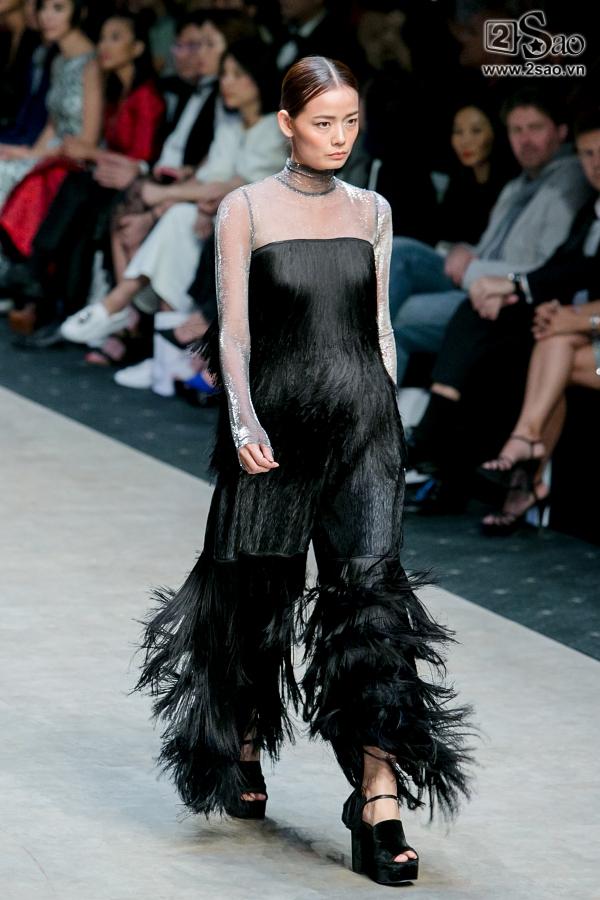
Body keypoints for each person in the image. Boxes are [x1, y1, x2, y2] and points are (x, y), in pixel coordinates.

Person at [133, 55, 475, 887]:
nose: (339, 137)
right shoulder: (247, 208)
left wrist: (391, 419)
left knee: (373, 610)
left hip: (363, 429)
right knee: (257, 593)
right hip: (276, 427)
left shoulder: (372, 209)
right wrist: (242, 419)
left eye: (351, 122)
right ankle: (246, 740)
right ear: (287, 123)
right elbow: (234, 333)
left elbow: (379, 325)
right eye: (323, 123)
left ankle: (378, 800)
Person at [61, 36, 289, 397]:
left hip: (257, 230)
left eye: (236, 74)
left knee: (176, 220)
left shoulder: (274, 131)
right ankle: (163, 360)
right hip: (215, 216)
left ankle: (123, 307)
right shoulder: (231, 127)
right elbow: (214, 179)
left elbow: (244, 185)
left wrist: (171, 198)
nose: (227, 82)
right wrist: (187, 201)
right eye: (225, 74)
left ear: (258, 79)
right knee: (166, 220)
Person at [389, 86, 591, 385]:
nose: (525, 140)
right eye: (516, 130)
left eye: (535, 128)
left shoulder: (570, 181)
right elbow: (487, 248)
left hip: (508, 295)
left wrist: (472, 268)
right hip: (476, 275)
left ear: (561, 132)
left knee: (402, 314)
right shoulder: (518, 184)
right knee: (399, 250)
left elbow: (546, 269)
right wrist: (463, 251)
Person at [0, 0, 101, 214]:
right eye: (43, 8)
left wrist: (31, 155)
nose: (46, 16)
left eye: (58, 8)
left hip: (71, 164)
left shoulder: (93, 64)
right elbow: (51, 126)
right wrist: (27, 153)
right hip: (46, 153)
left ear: (79, 12)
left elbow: (87, 142)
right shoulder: (58, 61)